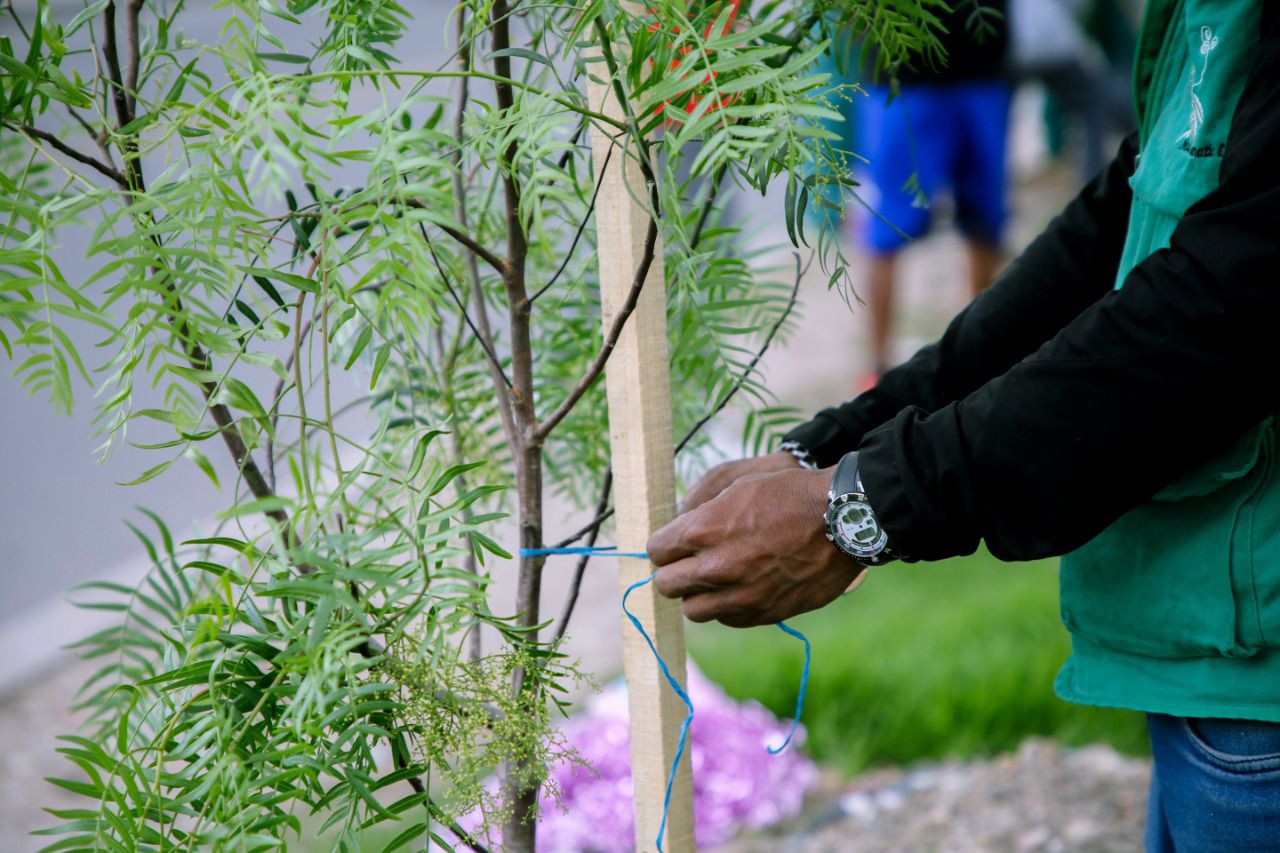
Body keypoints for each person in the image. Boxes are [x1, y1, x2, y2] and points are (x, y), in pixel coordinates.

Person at [648, 1, 1280, 849]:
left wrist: (861, 506)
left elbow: (1215, 310)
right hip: (1202, 658)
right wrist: (837, 442)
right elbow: (1121, 232)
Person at [854, 1, 1011, 388]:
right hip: (898, 72)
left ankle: (982, 357)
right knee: (885, 226)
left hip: (981, 61)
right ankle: (878, 367)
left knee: (985, 219)